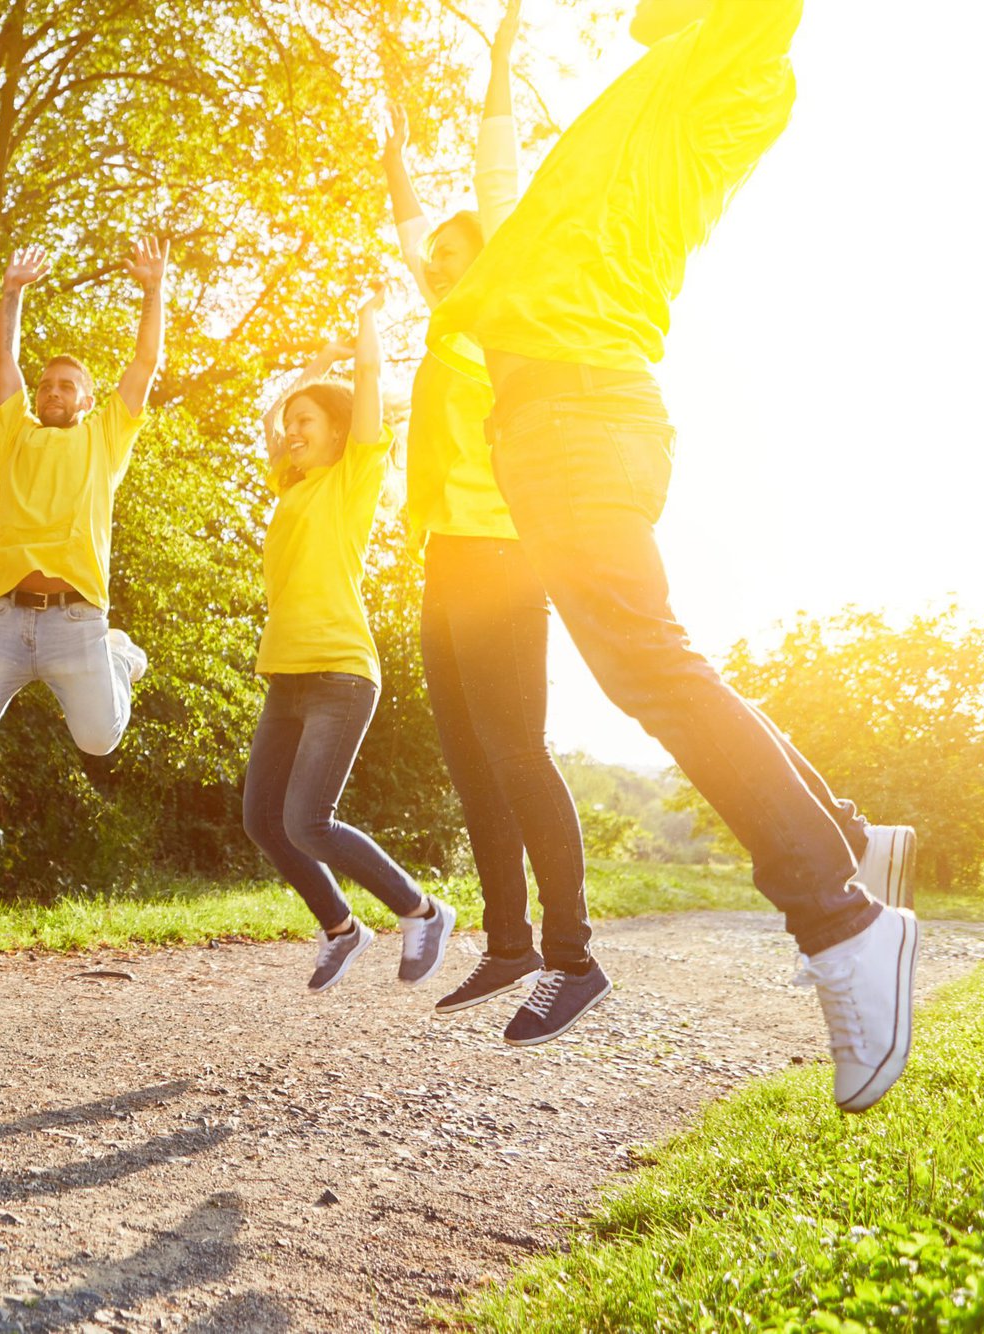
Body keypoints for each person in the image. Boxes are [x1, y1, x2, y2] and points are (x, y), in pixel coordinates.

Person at [428, 0, 917, 1111]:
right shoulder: (626, 102)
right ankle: (848, 840)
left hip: (583, 407)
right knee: (642, 659)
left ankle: (839, 918)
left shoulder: (726, 69)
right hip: (545, 418)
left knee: (644, 661)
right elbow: (498, 181)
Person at [382, 0, 609, 1045]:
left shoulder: (507, 309)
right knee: (470, 757)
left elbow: (495, 187)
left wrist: (503, 60)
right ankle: (508, 941)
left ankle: (572, 954)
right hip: (442, 559)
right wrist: (391, 145)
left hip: (509, 555)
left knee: (515, 749)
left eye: (454, 255)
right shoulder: (441, 316)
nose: (436, 265)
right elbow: (411, 229)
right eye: (431, 262)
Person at [243, 286, 456, 993]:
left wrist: (362, 333)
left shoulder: (353, 477)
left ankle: (422, 910)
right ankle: (342, 927)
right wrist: (310, 369)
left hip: (339, 673)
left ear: (338, 433)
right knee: (263, 821)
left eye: (308, 422)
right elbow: (275, 418)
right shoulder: (292, 487)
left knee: (307, 821)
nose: (291, 431)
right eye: (291, 425)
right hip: (287, 677)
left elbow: (364, 391)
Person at [0, 241, 163, 759]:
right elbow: (3, 359)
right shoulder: (16, 435)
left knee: (97, 741)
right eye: (46, 386)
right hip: (5, 618)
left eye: (67, 387)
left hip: (76, 622)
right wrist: (11, 291)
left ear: (87, 401)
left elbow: (146, 363)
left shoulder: (104, 438)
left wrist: (154, 289)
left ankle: (117, 657)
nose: (52, 392)